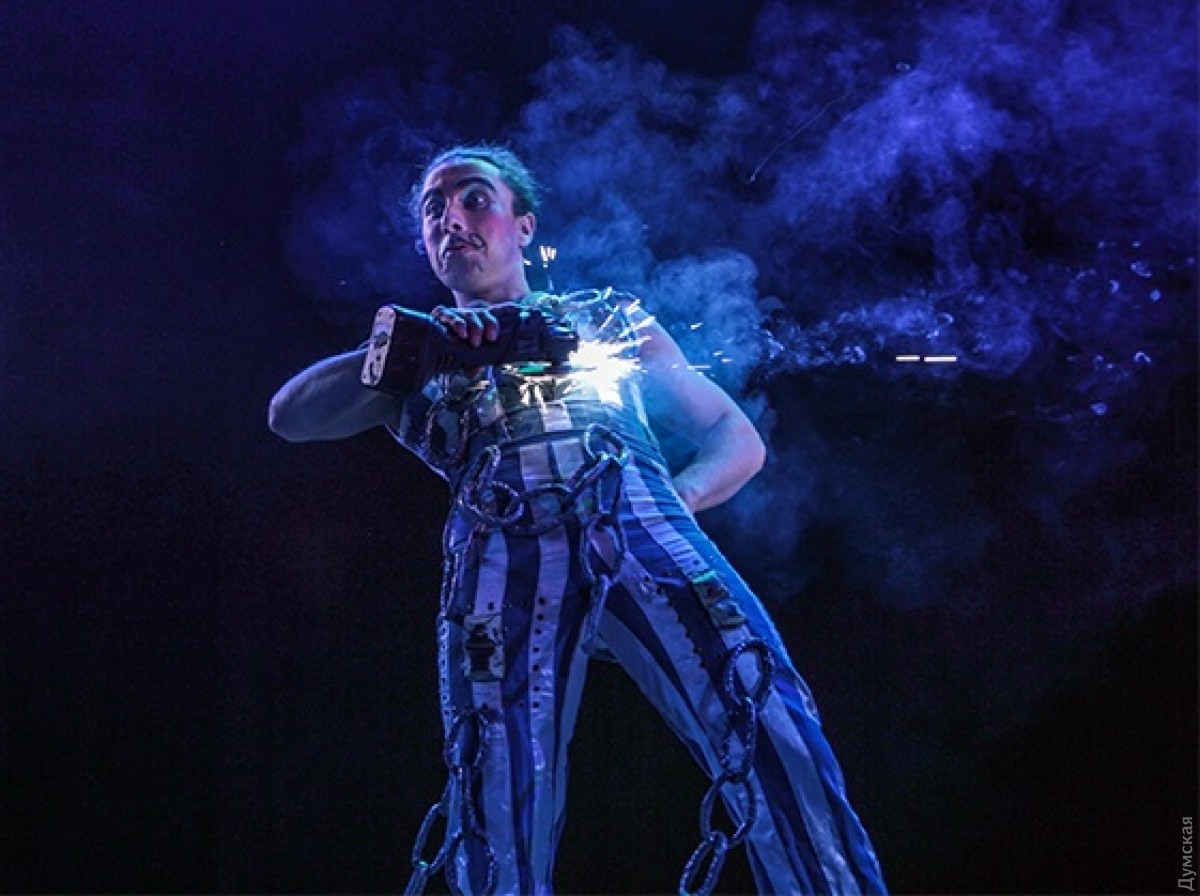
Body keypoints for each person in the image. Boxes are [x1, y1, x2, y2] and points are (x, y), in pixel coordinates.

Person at [268, 143, 887, 896]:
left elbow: (737, 437)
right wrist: (413, 350)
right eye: (433, 210)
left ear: (523, 225)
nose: (451, 219)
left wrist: (666, 503)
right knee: (496, 797)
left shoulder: (603, 317)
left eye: (474, 198)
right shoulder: (412, 361)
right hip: (499, 562)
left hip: (643, 524)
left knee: (767, 720)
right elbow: (288, 416)